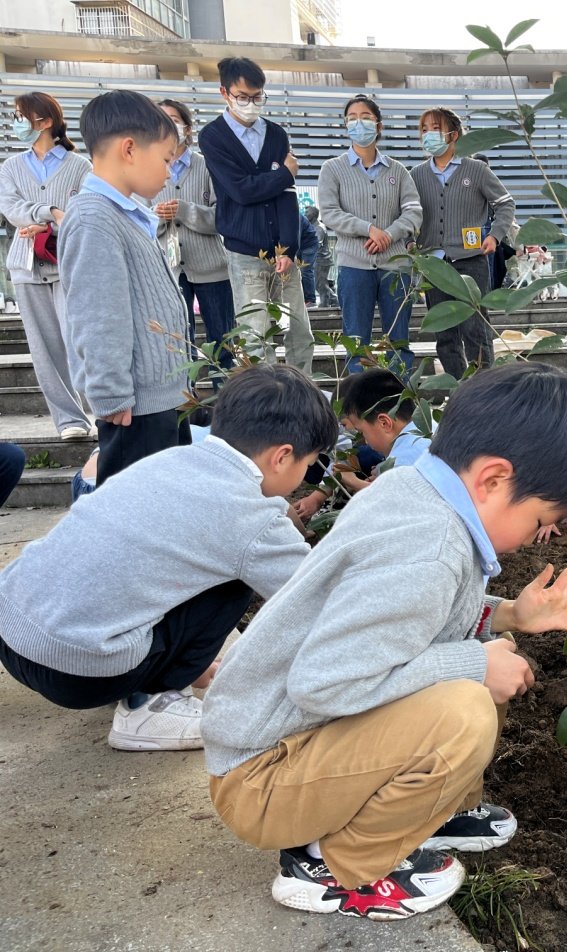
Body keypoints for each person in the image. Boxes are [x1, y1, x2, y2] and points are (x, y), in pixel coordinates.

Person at [201, 362, 567, 920]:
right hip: (263, 780)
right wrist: (473, 664)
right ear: (493, 480)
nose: (540, 534)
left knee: (480, 668)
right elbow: (327, 683)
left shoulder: (416, 492)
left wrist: (511, 614)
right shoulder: (429, 550)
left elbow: (417, 620)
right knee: (465, 706)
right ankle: (335, 867)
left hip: (288, 748)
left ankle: (427, 814)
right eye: (543, 517)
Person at [0, 364, 338, 751]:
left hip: (12, 632)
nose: (304, 476)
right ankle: (149, 707)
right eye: (308, 464)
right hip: (77, 672)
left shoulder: (166, 462)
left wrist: (190, 663)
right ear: (282, 456)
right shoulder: (252, 516)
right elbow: (321, 597)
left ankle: (158, 674)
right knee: (236, 578)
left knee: (189, 560)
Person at [58, 90, 188, 486]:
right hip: (135, 409)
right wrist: (110, 392)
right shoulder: (93, 218)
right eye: (166, 159)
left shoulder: (125, 214)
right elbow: (98, 315)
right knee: (140, 507)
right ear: (129, 149)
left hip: (162, 398)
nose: (169, 173)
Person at [199, 56, 314, 375]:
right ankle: (265, 398)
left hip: (283, 254)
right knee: (256, 337)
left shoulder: (275, 134)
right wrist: (285, 173)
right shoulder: (213, 136)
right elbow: (241, 190)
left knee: (298, 332)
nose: (250, 104)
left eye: (257, 96)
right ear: (224, 93)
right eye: (242, 97)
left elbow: (286, 196)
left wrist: (289, 248)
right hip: (245, 253)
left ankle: (303, 392)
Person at [0, 91, 94, 441]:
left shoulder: (80, 166)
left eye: (21, 115)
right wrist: (50, 213)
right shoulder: (10, 167)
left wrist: (50, 224)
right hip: (26, 267)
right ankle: (69, 420)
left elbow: (84, 212)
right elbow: (11, 209)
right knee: (43, 349)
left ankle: (102, 410)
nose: (16, 122)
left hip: (69, 265)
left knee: (79, 340)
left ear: (45, 121)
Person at [318, 95, 423, 374]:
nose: (358, 123)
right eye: (352, 118)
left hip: (395, 268)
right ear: (345, 125)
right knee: (356, 343)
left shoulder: (398, 170)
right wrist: (368, 229)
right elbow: (330, 212)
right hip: (354, 266)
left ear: (379, 125)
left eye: (365, 117)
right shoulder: (332, 168)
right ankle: (358, 399)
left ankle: (399, 394)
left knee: (398, 342)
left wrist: (389, 234)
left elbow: (413, 212)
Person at [409, 106, 515, 378]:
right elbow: (408, 213)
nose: (428, 135)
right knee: (444, 333)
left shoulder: (476, 170)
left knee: (475, 327)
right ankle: (457, 388)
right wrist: (410, 242)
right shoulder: (416, 175)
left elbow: (505, 203)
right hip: (433, 264)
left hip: (470, 261)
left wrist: (495, 235)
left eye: (435, 129)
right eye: (424, 130)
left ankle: (482, 386)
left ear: (453, 134)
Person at [152, 98, 236, 378]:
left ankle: (225, 399)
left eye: (174, 120)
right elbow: (138, 217)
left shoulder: (208, 166)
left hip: (213, 268)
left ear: (187, 128)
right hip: (168, 269)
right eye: (160, 119)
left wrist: (185, 210)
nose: (168, 126)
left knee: (223, 343)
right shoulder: (147, 167)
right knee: (178, 344)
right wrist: (158, 217)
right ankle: (185, 399)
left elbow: (225, 217)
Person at [292, 369, 426, 518]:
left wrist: (354, 482)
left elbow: (388, 507)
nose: (365, 440)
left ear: (384, 423)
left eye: (361, 431)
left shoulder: (403, 461)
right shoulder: (425, 425)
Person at [305, 205, 335, 307]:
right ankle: (333, 300)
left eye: (307, 212)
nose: (305, 214)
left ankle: (326, 303)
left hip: (322, 259)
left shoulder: (319, 228)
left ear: (313, 214)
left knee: (320, 283)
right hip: (318, 259)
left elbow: (316, 244)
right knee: (320, 283)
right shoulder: (313, 226)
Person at [298, 204, 320, 308]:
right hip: (300, 245)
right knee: (297, 271)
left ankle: (311, 300)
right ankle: (301, 298)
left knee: (305, 270)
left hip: (309, 245)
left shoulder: (295, 218)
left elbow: (296, 237)